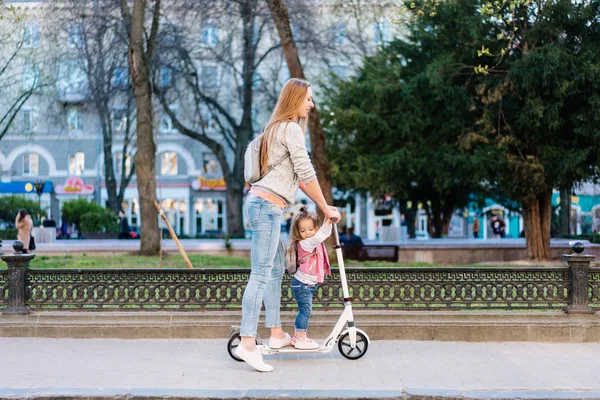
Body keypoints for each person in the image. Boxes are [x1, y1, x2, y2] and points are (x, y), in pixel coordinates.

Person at [236, 78, 341, 372]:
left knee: (275, 270)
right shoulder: (291, 129)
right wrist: (325, 208)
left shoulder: (274, 129)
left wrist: (323, 205)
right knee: (260, 274)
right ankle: (247, 343)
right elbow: (307, 173)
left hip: (264, 204)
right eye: (308, 98)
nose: (312, 104)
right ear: (296, 99)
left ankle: (276, 334)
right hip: (267, 207)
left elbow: (300, 179)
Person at [287, 207, 332, 350]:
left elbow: (325, 233)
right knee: (305, 311)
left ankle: (297, 337)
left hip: (307, 284)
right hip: (302, 284)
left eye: (310, 229)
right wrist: (328, 219)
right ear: (298, 232)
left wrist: (328, 219)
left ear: (317, 227)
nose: (307, 233)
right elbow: (321, 235)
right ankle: (301, 339)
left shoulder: (315, 240)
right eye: (303, 230)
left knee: (304, 311)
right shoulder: (305, 243)